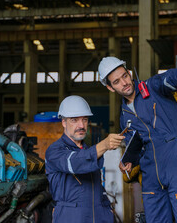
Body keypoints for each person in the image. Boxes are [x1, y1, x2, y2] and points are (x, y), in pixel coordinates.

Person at [98, 56, 177, 223]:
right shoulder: (124, 116)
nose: (124, 82)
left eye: (125, 76)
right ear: (110, 87)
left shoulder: (153, 87)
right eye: (117, 82)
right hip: (150, 173)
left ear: (129, 73)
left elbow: (170, 78)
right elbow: (134, 144)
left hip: (176, 163)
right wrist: (128, 160)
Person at [45, 95, 125, 223]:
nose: (81, 125)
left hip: (99, 216)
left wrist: (107, 210)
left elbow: (96, 187)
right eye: (74, 120)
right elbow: (76, 163)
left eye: (85, 119)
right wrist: (104, 145)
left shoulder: (88, 150)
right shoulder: (55, 151)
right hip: (71, 217)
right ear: (64, 122)